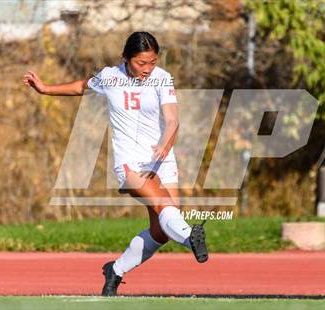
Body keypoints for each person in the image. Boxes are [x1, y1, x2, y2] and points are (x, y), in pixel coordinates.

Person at [23, 31, 208, 297]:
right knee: (165, 208)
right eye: (140, 63)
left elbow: (172, 119)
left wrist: (164, 146)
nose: (147, 69)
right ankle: (191, 238)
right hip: (130, 162)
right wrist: (45, 88)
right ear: (126, 58)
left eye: (152, 62)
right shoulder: (110, 76)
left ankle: (116, 270)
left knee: (162, 230)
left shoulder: (162, 78)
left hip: (163, 158)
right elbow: (80, 87)